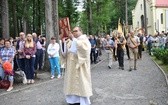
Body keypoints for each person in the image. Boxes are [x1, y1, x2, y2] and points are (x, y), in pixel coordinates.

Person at [64, 27, 92, 105]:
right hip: (71, 67)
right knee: (71, 83)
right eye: (73, 31)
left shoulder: (84, 40)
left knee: (81, 83)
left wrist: (73, 39)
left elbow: (85, 51)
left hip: (81, 67)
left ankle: (82, 101)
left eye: (76, 31)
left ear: (81, 31)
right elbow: (66, 52)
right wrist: (63, 43)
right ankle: (72, 101)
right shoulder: (71, 41)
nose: (74, 33)